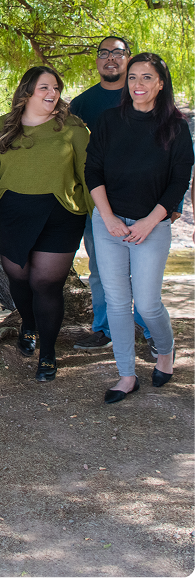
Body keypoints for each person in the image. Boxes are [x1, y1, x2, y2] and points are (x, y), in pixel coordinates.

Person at [86, 53, 194, 403]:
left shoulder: (176, 127)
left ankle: (165, 352)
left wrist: (150, 221)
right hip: (108, 224)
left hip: (153, 225)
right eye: (133, 77)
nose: (138, 85)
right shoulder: (107, 121)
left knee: (147, 304)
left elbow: (179, 181)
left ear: (160, 83)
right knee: (117, 303)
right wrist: (110, 218)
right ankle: (126, 375)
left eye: (147, 78)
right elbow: (93, 172)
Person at [0, 66, 91, 382]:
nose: (52, 93)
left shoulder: (73, 128)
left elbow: (87, 174)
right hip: (11, 213)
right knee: (19, 276)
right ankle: (28, 323)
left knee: (46, 283)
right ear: (27, 91)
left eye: (56, 88)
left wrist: (97, 215)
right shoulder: (1, 127)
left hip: (61, 214)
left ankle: (48, 354)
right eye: (44, 87)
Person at [69, 36, 151, 353]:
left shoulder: (144, 97)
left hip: (145, 204)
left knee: (142, 271)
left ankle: (147, 328)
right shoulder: (82, 105)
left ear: (129, 59)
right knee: (101, 271)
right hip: (99, 206)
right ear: (97, 61)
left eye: (118, 53)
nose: (110, 59)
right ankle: (104, 329)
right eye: (104, 53)